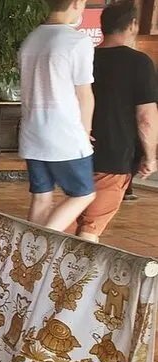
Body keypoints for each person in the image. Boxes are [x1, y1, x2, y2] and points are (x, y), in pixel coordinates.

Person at [71, 1, 158, 242]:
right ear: (132, 25)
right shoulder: (139, 63)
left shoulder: (85, 58)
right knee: (90, 228)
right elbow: (146, 117)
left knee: (71, 217)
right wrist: (150, 156)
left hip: (74, 150)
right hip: (114, 156)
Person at [18, 0, 96, 232]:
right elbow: (84, 95)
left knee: (42, 197)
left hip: (32, 131)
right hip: (64, 132)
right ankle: (42, 243)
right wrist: (85, 133)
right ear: (76, 3)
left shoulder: (31, 39)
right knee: (83, 194)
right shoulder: (77, 41)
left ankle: (28, 250)